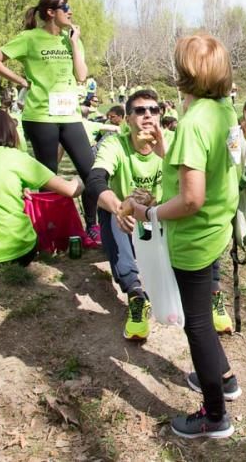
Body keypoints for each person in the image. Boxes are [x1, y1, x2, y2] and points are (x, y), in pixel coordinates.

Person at [129, 34, 241, 439]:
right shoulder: (224, 113)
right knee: (202, 320)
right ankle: (225, 379)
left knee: (198, 326)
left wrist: (149, 213)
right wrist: (167, 150)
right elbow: (207, 168)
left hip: (193, 238)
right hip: (216, 230)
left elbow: (191, 198)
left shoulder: (194, 121)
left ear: (185, 73)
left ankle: (214, 415)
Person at [0, 0, 100, 244]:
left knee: (92, 172)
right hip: (40, 116)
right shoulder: (30, 38)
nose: (70, 12)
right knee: (49, 175)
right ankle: (51, 230)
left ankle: (92, 225)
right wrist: (22, 81)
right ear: (50, 12)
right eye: (65, 8)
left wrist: (75, 43)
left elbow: (81, 75)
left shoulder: (70, 39)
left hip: (70, 115)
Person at [0, 110, 83, 273]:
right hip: (15, 253)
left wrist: (18, 187)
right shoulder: (17, 158)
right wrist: (81, 178)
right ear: (10, 131)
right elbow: (70, 190)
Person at [87, 90, 166, 341]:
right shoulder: (115, 144)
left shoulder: (172, 142)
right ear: (127, 119)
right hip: (126, 219)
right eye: (140, 111)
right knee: (109, 207)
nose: (148, 115)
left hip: (161, 217)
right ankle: (135, 295)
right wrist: (120, 207)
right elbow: (96, 179)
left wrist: (163, 148)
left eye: (154, 110)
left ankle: (209, 291)